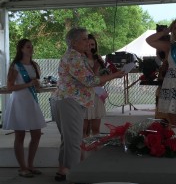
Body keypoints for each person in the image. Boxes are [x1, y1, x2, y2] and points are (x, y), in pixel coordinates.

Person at [51, 28, 124, 181]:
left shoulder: (76, 56)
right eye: (84, 39)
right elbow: (89, 81)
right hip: (70, 101)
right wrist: (115, 75)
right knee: (75, 141)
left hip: (67, 100)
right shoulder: (74, 58)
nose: (87, 42)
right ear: (73, 42)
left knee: (69, 139)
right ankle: (75, 175)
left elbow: (89, 77)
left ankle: (64, 171)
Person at [3, 38, 46, 178]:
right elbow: (10, 87)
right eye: (28, 47)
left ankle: (31, 165)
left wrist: (37, 85)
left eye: (31, 46)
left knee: (36, 133)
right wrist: (29, 85)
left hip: (31, 102)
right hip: (19, 102)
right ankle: (23, 167)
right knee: (20, 135)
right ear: (21, 49)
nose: (31, 49)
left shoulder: (34, 65)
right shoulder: (15, 65)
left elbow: (36, 84)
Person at [82, 34, 107, 138]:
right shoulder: (80, 59)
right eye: (88, 44)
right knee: (84, 130)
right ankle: (83, 152)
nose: (91, 47)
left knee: (96, 129)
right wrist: (95, 68)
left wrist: (104, 79)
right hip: (84, 96)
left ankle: (95, 150)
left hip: (96, 95)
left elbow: (101, 77)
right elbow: (87, 79)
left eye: (93, 44)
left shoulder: (98, 58)